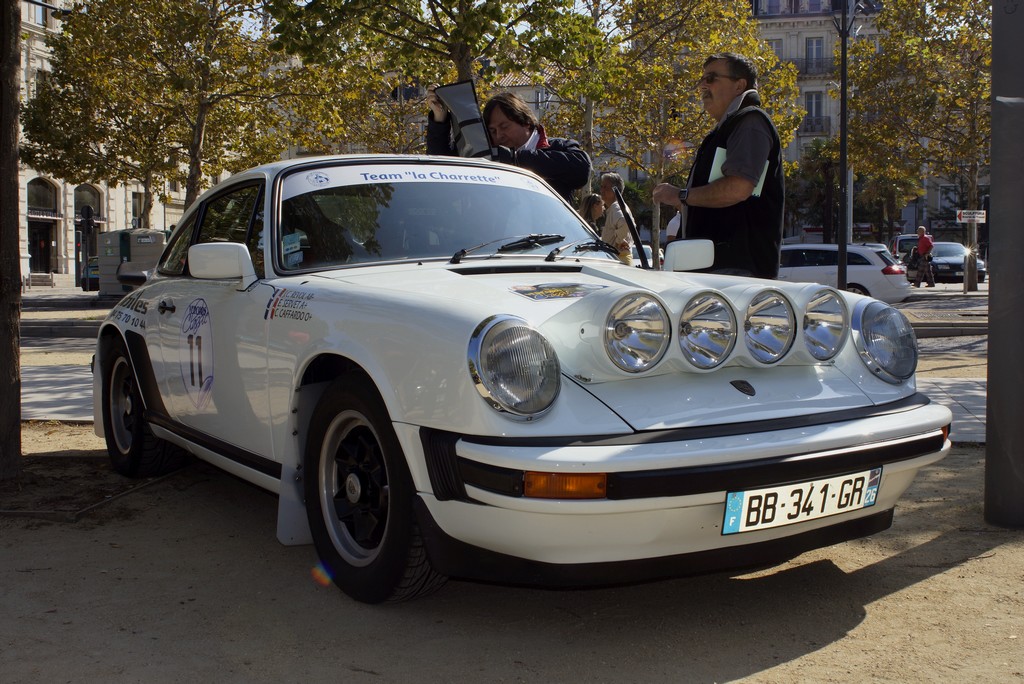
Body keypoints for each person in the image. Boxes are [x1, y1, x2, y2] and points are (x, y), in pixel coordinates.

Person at [652, 52, 785, 279]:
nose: (703, 85)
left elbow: (738, 188)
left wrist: (682, 196)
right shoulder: (732, 126)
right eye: (702, 79)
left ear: (739, 85)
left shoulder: (750, 121)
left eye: (711, 78)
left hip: (734, 272)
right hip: (720, 269)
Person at [426, 89, 591, 203]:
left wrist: (513, 160)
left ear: (526, 122)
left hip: (550, 249)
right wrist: (439, 119)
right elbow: (443, 167)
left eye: (504, 127)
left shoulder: (560, 147)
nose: (498, 136)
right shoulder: (488, 154)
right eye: (492, 130)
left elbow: (582, 169)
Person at [599, 172, 634, 266]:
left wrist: (619, 241)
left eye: (605, 187)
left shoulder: (616, 207)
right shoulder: (614, 208)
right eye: (601, 186)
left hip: (618, 261)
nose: (602, 190)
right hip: (616, 260)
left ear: (615, 190)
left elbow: (625, 223)